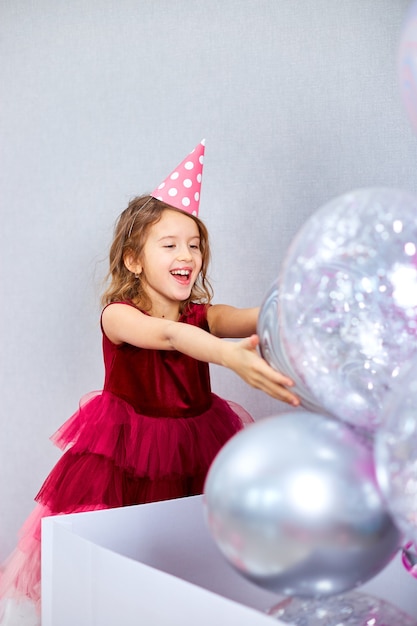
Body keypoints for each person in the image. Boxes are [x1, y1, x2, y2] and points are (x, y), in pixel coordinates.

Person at [0, 141, 299, 625]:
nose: (188, 254)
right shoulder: (120, 316)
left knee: (190, 551)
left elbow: (243, 316)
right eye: (170, 244)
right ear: (134, 261)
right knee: (122, 557)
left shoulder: (202, 314)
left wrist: (290, 307)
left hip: (195, 447)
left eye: (194, 244)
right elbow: (167, 334)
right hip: (127, 455)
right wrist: (225, 355)